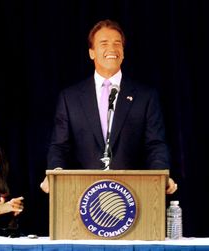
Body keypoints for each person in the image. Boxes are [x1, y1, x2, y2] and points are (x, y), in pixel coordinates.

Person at [40, 19, 177, 194]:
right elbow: (59, 146)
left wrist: (160, 176)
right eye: (104, 43)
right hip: (83, 194)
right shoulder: (70, 98)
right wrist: (55, 174)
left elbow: (155, 145)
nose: (112, 49)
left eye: (117, 44)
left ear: (123, 52)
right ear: (91, 53)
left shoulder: (145, 96)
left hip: (133, 194)